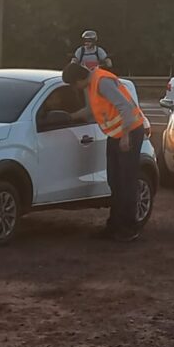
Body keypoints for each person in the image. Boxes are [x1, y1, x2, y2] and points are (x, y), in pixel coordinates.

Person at [63, 62, 149, 242]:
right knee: (115, 181)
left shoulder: (102, 81)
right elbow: (94, 111)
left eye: (73, 85)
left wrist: (125, 136)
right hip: (117, 134)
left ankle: (129, 228)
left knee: (126, 182)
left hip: (129, 132)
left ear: (79, 79)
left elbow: (125, 108)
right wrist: (71, 117)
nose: (75, 89)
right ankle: (114, 226)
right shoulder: (93, 84)